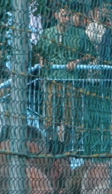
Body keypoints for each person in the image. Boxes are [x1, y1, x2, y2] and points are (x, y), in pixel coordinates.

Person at [36, 5, 95, 146]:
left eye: (69, 15)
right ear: (56, 16)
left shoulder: (80, 34)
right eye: (63, 15)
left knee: (70, 118)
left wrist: (78, 61)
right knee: (50, 117)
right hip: (52, 79)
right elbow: (38, 50)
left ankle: (67, 148)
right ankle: (52, 146)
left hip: (71, 80)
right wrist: (42, 59)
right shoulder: (47, 33)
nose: (67, 19)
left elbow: (92, 54)